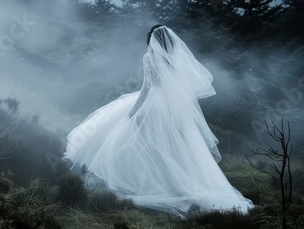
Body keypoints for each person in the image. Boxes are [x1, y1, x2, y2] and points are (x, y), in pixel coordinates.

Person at [62, 25, 253, 218]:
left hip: (154, 105)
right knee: (176, 150)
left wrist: (134, 112)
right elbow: (183, 87)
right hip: (175, 106)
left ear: (153, 41)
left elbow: (146, 88)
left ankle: (147, 184)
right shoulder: (177, 59)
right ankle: (179, 185)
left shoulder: (149, 57)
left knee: (146, 145)